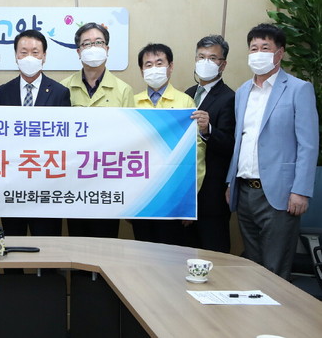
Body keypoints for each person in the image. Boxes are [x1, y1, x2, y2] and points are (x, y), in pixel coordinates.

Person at [225, 23, 318, 280]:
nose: (258, 53)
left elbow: (308, 144)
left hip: (280, 193)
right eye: (253, 48)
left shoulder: (298, 89)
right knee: (252, 267)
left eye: (265, 48)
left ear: (280, 53)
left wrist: (300, 190)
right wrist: (231, 181)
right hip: (245, 190)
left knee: (275, 270)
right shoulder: (242, 91)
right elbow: (240, 140)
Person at [0, 30, 70, 240]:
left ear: (44, 56)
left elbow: (64, 140)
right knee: (12, 242)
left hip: (46, 185)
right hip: (12, 185)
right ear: (15, 56)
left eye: (35, 52)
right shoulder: (2, 92)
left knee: (48, 243)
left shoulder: (60, 92)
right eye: (23, 52)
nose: (29, 57)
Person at [61, 22, 134, 239]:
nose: (93, 48)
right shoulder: (62, 88)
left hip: (108, 183)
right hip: (73, 181)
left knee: (106, 244)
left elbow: (131, 142)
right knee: (77, 242)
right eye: (87, 44)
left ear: (107, 49)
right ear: (78, 51)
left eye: (98, 42)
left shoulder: (124, 90)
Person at [133, 43, 203, 245]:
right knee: (143, 252)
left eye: (159, 63)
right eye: (148, 64)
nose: (154, 68)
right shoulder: (132, 102)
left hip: (174, 198)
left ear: (170, 67)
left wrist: (189, 200)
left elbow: (196, 153)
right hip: (141, 198)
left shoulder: (185, 102)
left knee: (171, 254)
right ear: (141, 70)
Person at [184, 35, 235, 252]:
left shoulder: (229, 97)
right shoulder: (187, 94)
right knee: (185, 253)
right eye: (201, 57)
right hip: (187, 190)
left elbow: (231, 145)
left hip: (212, 194)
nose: (205, 62)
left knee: (214, 253)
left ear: (223, 64)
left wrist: (208, 130)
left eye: (212, 58)